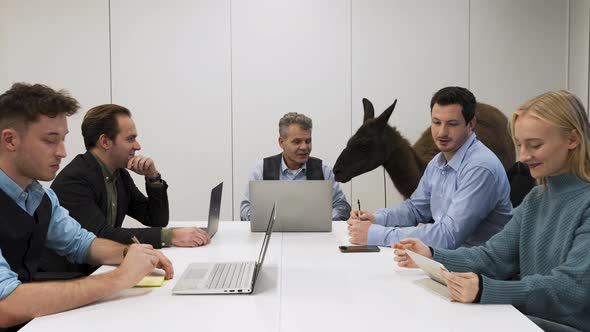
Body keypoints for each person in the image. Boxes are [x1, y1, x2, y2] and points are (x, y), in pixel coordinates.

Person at [393, 90, 590, 332]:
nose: (524, 157)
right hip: (524, 320)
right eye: (520, 145)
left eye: (535, 145)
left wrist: (486, 290)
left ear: (572, 139)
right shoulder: (536, 199)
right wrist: (432, 255)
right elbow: (494, 257)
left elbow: (571, 288)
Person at [0, 83, 173, 330]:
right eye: (50, 141)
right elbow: (5, 306)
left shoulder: (41, 198)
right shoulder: (72, 180)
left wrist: (132, 255)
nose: (62, 152)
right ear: (10, 140)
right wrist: (119, 277)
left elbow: (83, 243)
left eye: (63, 140)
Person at [39, 104, 209, 274]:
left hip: (102, 268)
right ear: (105, 141)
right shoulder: (74, 180)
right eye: (130, 139)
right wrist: (170, 236)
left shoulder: (119, 174)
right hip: (72, 277)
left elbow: (156, 219)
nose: (137, 146)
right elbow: (101, 235)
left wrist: (152, 177)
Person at [348, 87, 512, 248]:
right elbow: (415, 209)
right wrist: (376, 219)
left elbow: (448, 236)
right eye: (436, 122)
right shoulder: (438, 162)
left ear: (471, 123)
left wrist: (374, 234)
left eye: (452, 124)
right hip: (448, 261)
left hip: (475, 267)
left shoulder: (480, 168)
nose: (442, 133)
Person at [240, 112, 351, 221]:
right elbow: (245, 209)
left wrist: (323, 221)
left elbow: (342, 206)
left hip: (314, 237)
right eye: (297, 142)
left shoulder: (324, 170)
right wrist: (264, 220)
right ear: (281, 142)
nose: (304, 147)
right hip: (274, 237)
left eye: (308, 141)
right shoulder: (261, 170)